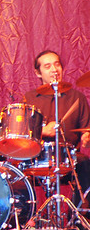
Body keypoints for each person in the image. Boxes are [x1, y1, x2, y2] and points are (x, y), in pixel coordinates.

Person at [24, 50, 90, 200]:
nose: (54, 70)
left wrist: (87, 137)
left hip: (68, 158)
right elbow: (22, 135)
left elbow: (86, 130)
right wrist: (42, 132)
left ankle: (81, 217)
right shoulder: (29, 99)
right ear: (38, 73)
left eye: (57, 65)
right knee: (16, 169)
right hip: (37, 158)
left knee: (85, 163)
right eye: (47, 66)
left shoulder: (77, 98)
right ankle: (30, 218)